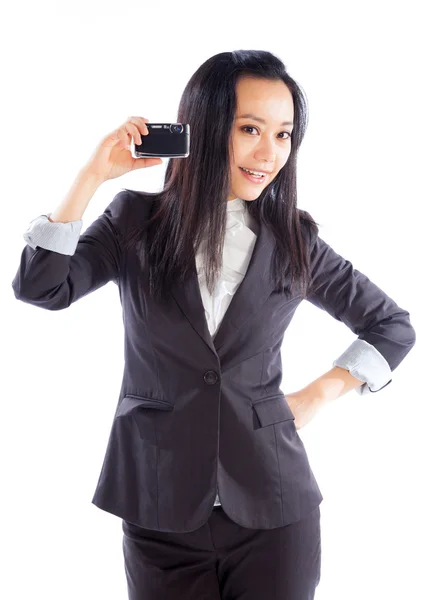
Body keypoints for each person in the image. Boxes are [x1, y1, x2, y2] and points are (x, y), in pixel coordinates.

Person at [12, 49, 416, 599]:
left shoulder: (295, 239)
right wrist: (91, 178)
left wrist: (320, 394)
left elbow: (391, 325)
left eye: (283, 134)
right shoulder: (135, 221)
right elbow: (41, 288)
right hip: (159, 505)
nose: (268, 153)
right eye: (250, 128)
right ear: (203, 128)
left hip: (276, 512)